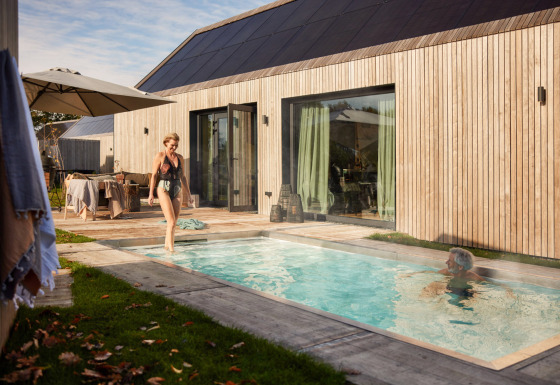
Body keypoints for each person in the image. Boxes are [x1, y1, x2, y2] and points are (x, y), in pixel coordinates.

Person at [148, 133, 193, 251]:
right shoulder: (160, 156)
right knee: (171, 221)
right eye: (172, 145)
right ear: (166, 143)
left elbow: (183, 177)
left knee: (173, 222)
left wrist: (189, 194)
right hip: (163, 188)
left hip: (177, 188)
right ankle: (172, 251)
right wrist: (151, 194)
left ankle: (166, 247)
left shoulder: (180, 157)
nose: (174, 148)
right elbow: (153, 176)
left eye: (176, 145)